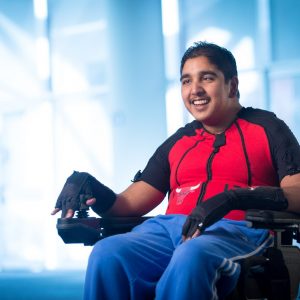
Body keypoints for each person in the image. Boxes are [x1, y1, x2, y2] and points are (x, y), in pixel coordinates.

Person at [51, 41, 300, 299]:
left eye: (207, 78)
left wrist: (235, 198)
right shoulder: (178, 142)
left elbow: (298, 192)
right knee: (107, 253)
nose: (195, 90)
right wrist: (89, 185)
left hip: (236, 231)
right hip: (167, 230)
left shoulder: (267, 127)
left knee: (192, 254)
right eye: (186, 81)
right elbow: (128, 203)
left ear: (232, 86)